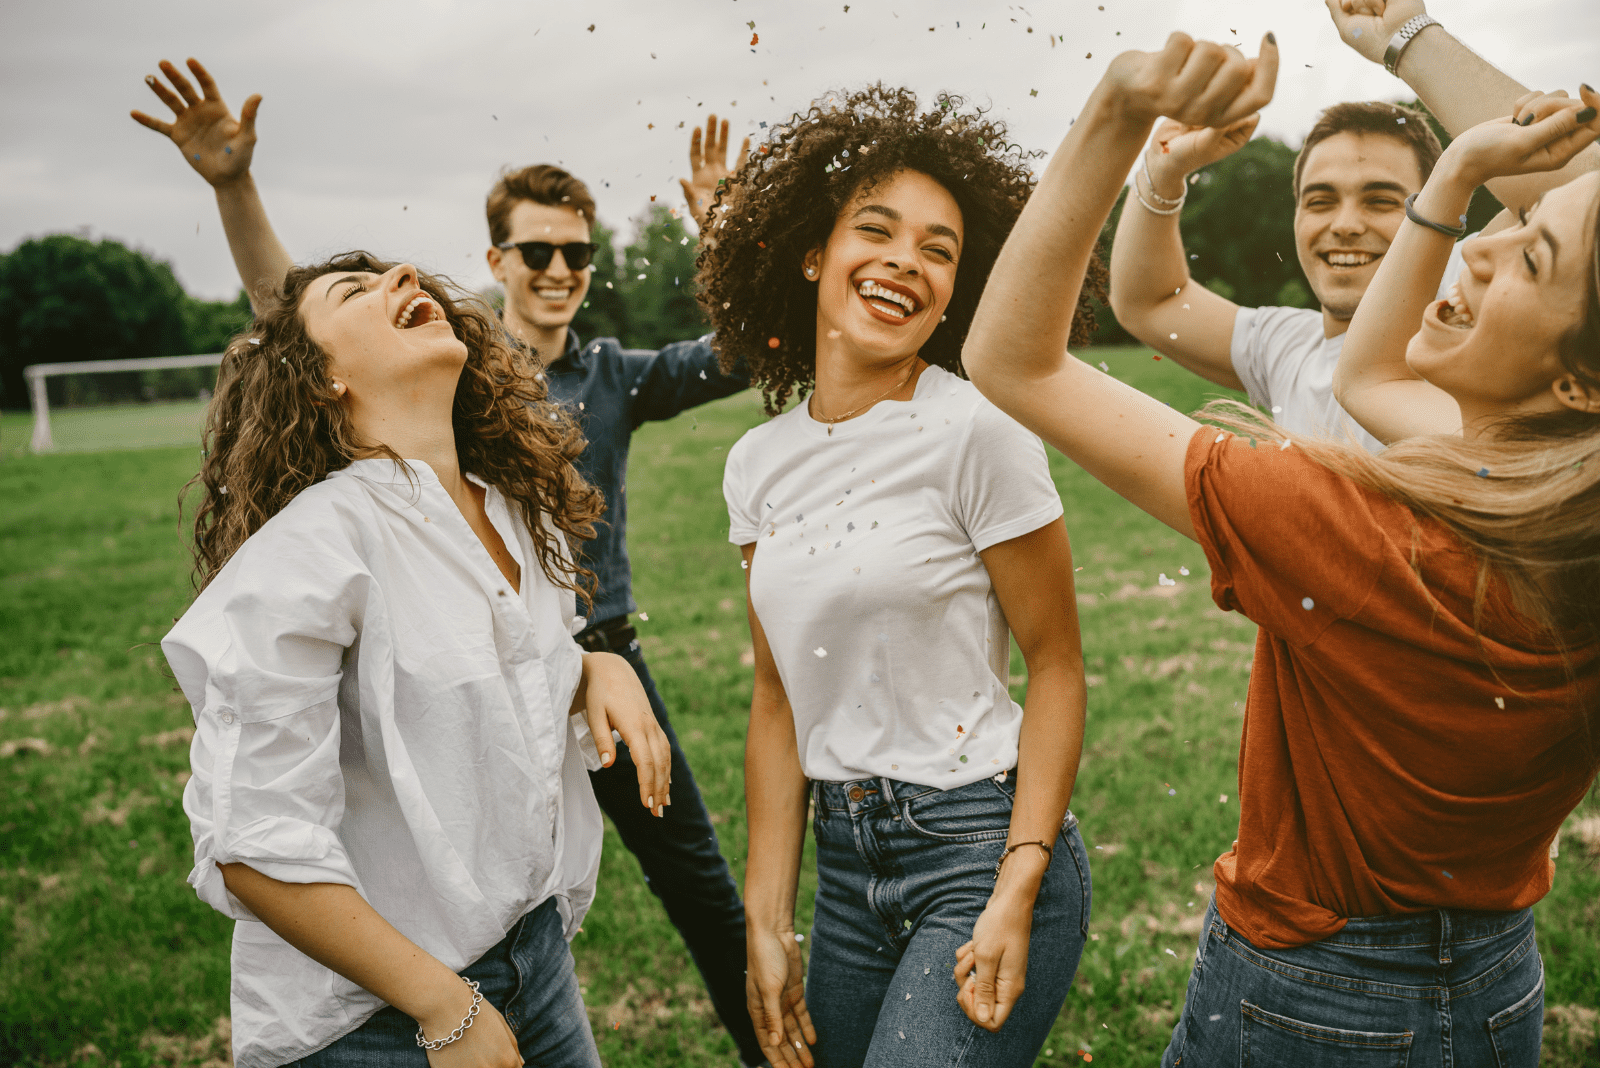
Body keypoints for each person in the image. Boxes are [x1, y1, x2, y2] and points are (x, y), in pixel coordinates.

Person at [965, 27, 1600, 1068]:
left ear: (1576, 380)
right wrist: (1453, 154)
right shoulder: (1558, 512)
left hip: (1316, 990)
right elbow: (1365, 379)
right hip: (1490, 977)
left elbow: (1011, 360)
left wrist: (1116, 116)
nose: (1477, 242)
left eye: (1526, 247)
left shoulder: (1359, 530)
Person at [131, 59, 767, 1066]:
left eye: (578, 252)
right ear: (497, 259)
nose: (560, 268)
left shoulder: (591, 394)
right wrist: (235, 189)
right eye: (539, 249)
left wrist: (595, 662)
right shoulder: (390, 465)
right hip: (381, 1004)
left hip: (580, 668)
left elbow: (745, 348)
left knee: (696, 877)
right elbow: (289, 318)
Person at [164, 251, 672, 1066]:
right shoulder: (311, 552)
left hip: (534, 959)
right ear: (321, 377)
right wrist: (443, 1007)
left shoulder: (513, 506)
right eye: (355, 292)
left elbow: (486, 674)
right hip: (374, 1017)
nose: (406, 276)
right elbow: (253, 841)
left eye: (402, 276)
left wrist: (590, 670)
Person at [703, 85, 1100, 1068]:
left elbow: (1055, 665)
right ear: (812, 254)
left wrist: (1017, 882)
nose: (903, 264)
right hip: (845, 879)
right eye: (874, 231)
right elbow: (776, 698)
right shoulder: (755, 464)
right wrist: (768, 915)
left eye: (938, 249)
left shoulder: (978, 431)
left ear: (959, 289)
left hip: (977, 847)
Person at [1107, 0, 1598, 452]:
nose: (1344, 224)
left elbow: (1583, 207)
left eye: (1381, 200)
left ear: (1442, 206)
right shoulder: (1284, 344)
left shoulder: (1466, 299)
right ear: (1295, 216)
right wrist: (1162, 172)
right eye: (1320, 201)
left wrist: (1408, 39)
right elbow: (1150, 302)